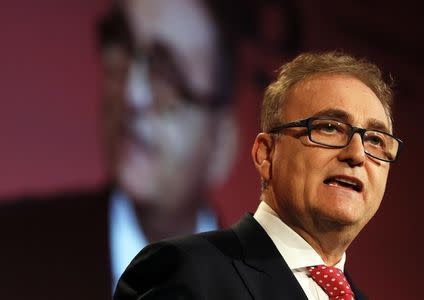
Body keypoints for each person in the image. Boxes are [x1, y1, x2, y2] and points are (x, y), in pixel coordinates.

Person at [113, 51, 404, 300]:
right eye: (329, 127)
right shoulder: (186, 272)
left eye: (376, 140)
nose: (357, 154)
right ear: (266, 154)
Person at [0, 1, 238, 299]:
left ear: (221, 143)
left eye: (168, 74)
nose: (132, 94)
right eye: (122, 51)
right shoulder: (12, 250)